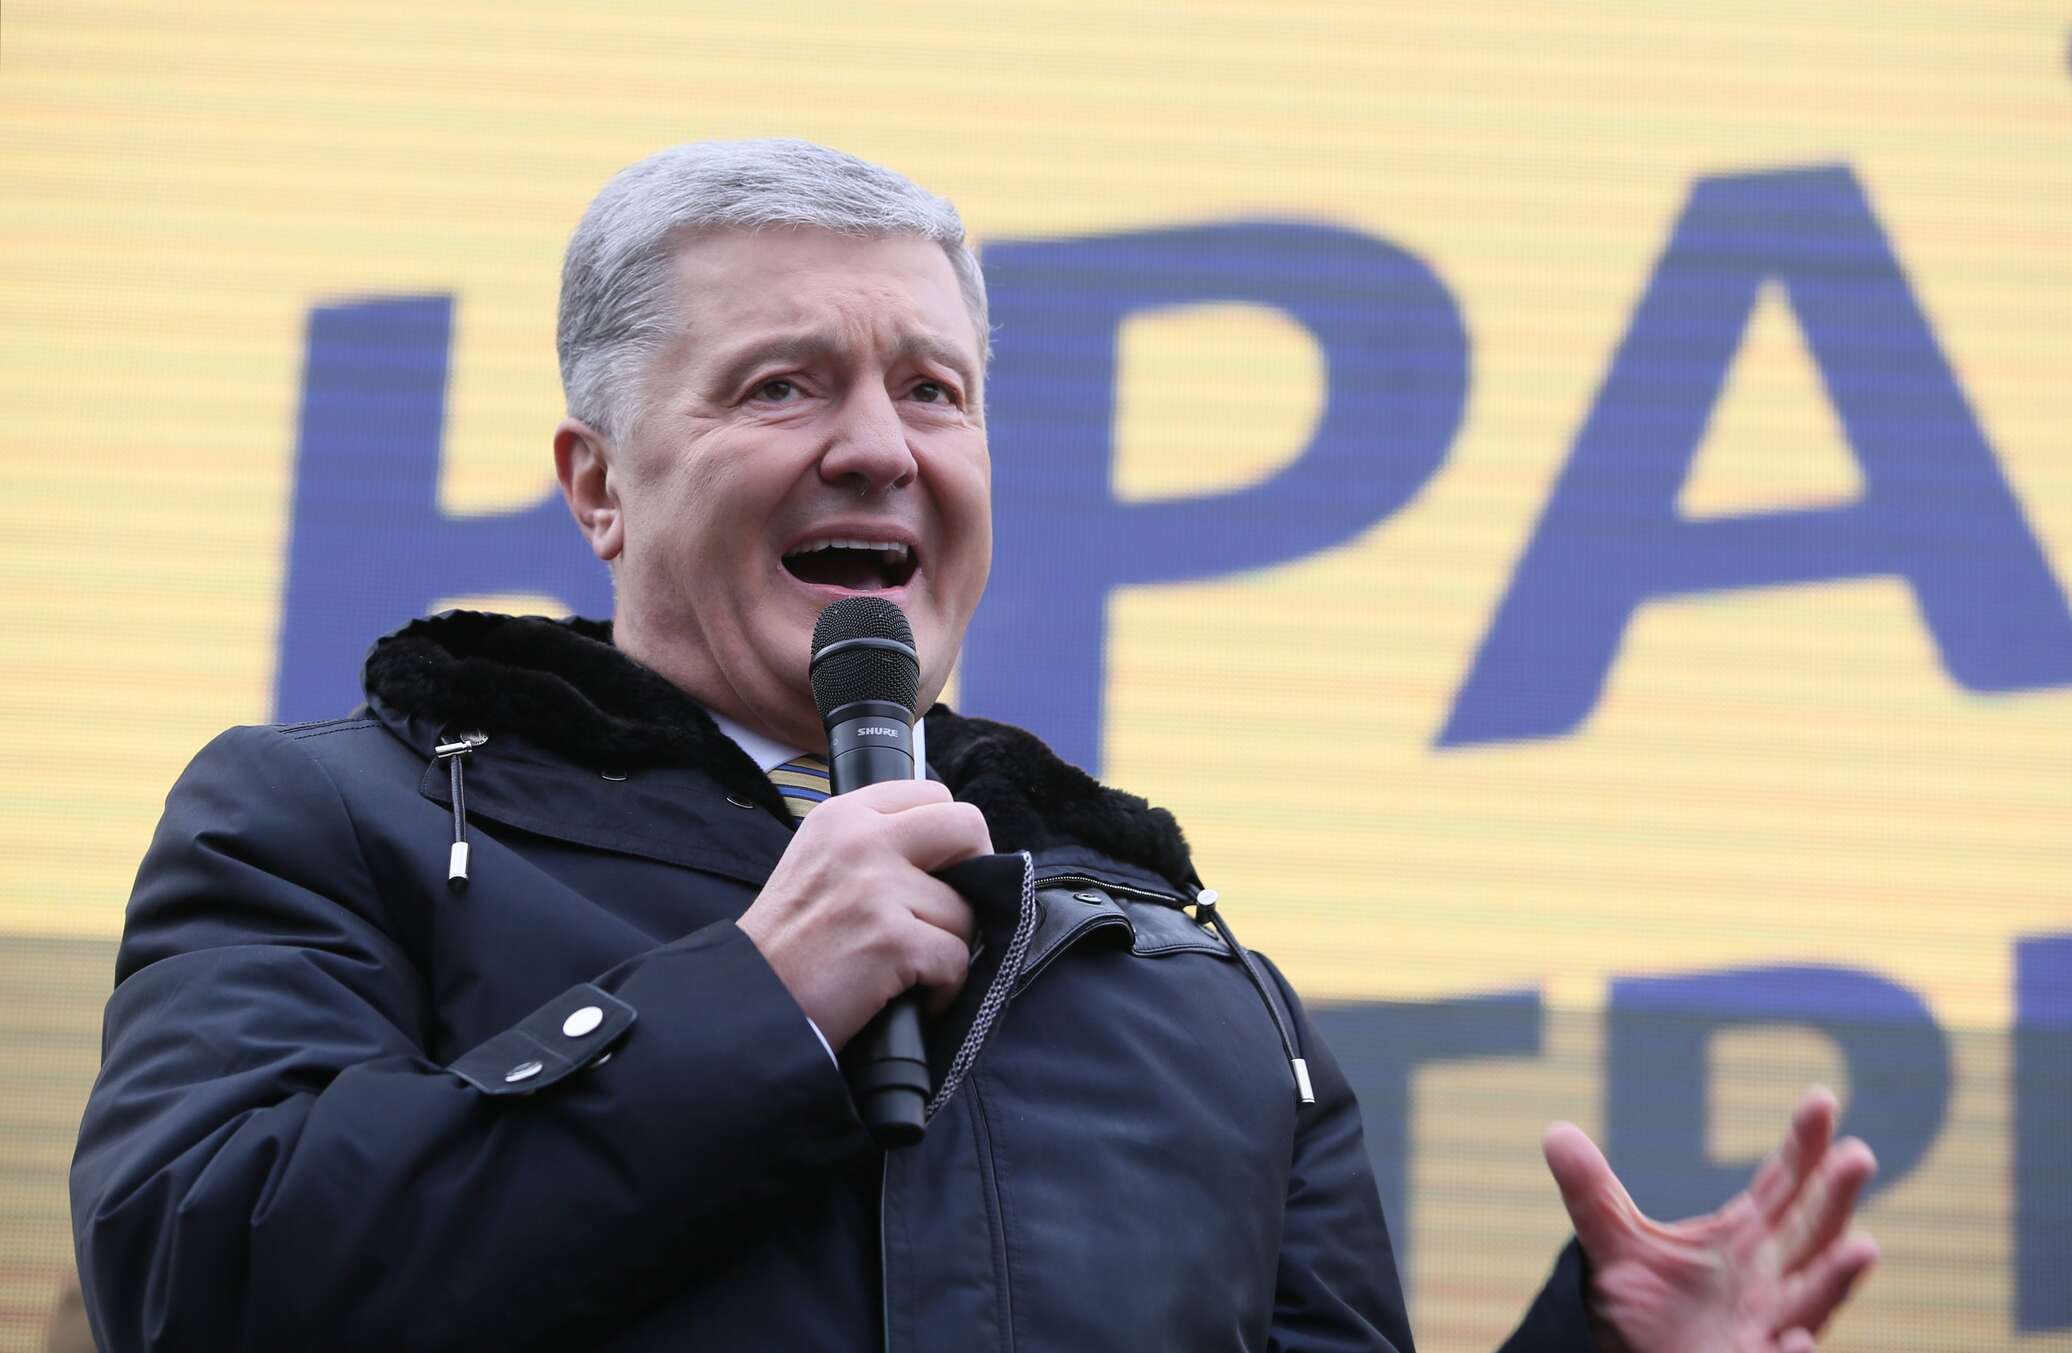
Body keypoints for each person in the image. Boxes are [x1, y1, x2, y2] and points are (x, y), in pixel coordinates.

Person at [70, 139, 1879, 1352]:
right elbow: (194, 1280)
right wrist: (755, 1005)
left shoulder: (1194, 980)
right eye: (784, 383)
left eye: (932, 389)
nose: (880, 446)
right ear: (598, 483)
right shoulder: (336, 819)